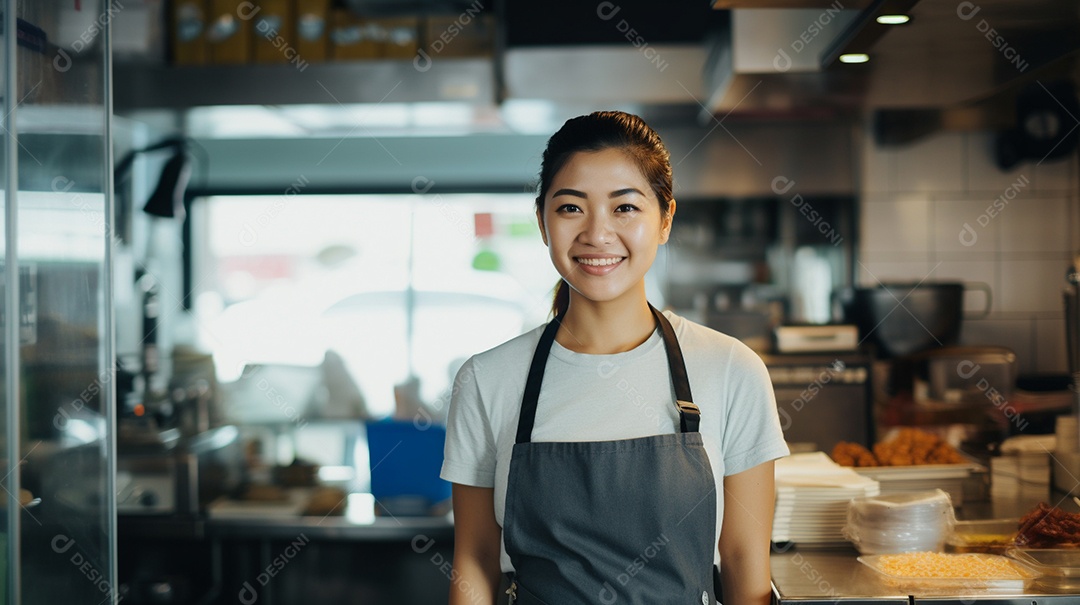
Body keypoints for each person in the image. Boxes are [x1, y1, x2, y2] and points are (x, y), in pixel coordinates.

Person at [441, 111, 789, 605]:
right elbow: (475, 560)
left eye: (624, 208)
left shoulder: (732, 370)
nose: (597, 234)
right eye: (570, 209)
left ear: (665, 220)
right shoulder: (487, 380)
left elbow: (743, 562)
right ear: (542, 221)